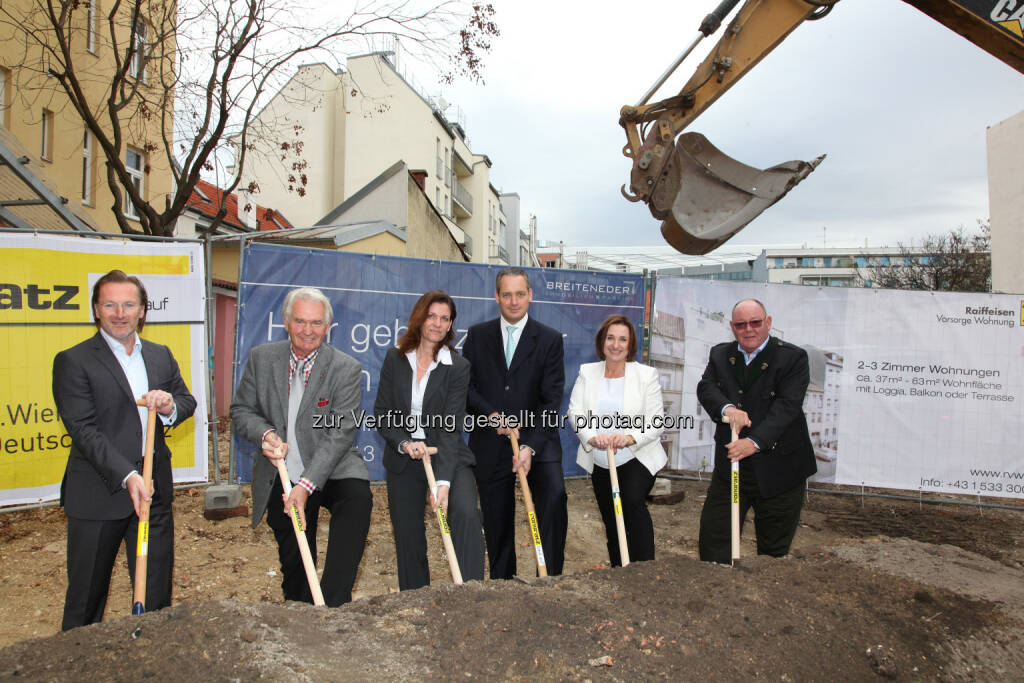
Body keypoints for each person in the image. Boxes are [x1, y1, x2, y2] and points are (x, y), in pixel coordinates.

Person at [52, 269, 196, 630]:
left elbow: (186, 401)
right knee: (87, 595)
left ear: (143, 311)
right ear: (97, 310)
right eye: (110, 304)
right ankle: (79, 661)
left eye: (129, 304)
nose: (120, 313)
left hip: (154, 490)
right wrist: (127, 475)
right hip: (99, 494)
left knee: (155, 592)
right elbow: (83, 430)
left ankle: (149, 655)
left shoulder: (160, 355)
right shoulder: (74, 360)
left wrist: (168, 407)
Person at [231, 286, 372, 606]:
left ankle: (335, 604)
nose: (308, 331)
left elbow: (340, 432)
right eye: (300, 321)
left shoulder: (345, 368)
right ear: (286, 321)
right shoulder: (261, 359)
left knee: (357, 500)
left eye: (316, 323)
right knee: (296, 556)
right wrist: (265, 434)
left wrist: (307, 485)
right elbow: (241, 410)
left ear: (327, 326)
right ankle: (302, 611)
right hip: (283, 471)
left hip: (332, 466)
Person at [373, 290, 485, 590]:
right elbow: (382, 413)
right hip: (406, 455)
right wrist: (404, 442)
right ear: (420, 317)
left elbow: (451, 426)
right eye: (432, 316)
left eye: (445, 319)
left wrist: (444, 482)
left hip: (447, 454)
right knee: (408, 532)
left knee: (464, 512)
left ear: (451, 326)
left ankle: (472, 591)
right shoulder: (394, 359)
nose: (437, 323)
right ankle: (416, 598)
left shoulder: (457, 367)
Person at [462, 267, 567, 579]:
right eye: (506, 294)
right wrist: (489, 414)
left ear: (530, 296)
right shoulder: (478, 335)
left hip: (538, 442)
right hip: (490, 442)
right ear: (496, 297)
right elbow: (467, 388)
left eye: (520, 293)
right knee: (496, 519)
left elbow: (551, 400)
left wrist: (530, 447)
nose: (513, 301)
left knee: (554, 496)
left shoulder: (549, 340)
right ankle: (502, 585)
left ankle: (550, 580)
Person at [696, 298, 816, 563]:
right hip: (732, 468)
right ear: (732, 327)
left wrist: (754, 442)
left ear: (768, 322)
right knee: (716, 542)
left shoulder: (793, 358)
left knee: (773, 553)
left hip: (780, 470)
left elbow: (787, 407)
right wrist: (727, 408)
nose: (748, 329)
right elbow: (706, 388)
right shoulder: (720, 354)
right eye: (741, 325)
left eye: (755, 322)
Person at [568, 315, 667, 566]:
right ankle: (619, 571)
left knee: (631, 502)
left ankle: (645, 569)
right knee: (611, 518)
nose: (616, 344)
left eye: (623, 339)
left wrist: (629, 437)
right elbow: (575, 413)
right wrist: (593, 437)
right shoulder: (587, 373)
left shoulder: (646, 375)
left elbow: (655, 421)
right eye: (611, 338)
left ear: (630, 344)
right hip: (601, 460)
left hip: (637, 456)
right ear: (602, 341)